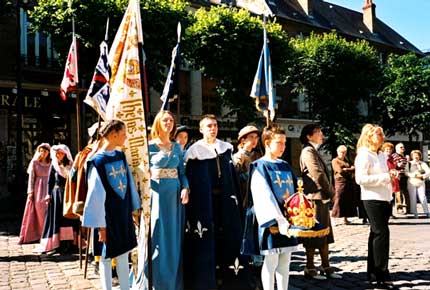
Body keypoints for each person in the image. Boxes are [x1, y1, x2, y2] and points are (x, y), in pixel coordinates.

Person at [184, 114, 249, 290]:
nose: (213, 128)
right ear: (201, 129)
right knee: (205, 237)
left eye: (215, 125)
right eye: (209, 126)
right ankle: (206, 280)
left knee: (228, 235)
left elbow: (232, 178)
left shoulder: (226, 148)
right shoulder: (194, 152)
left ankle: (230, 278)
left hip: (226, 201)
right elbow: (192, 181)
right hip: (204, 202)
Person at [82, 119, 141, 290]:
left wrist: (133, 210)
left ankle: (125, 288)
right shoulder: (97, 162)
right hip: (107, 217)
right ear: (113, 135)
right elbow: (95, 196)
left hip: (122, 213)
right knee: (107, 256)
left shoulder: (120, 155)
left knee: (124, 253)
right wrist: (101, 226)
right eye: (123, 134)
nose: (125, 137)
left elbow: (128, 185)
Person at [134, 111, 189, 290]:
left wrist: (185, 188)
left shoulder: (177, 147)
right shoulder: (148, 146)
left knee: (172, 237)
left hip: (174, 197)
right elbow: (140, 173)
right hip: (155, 196)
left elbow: (182, 173)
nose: (169, 123)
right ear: (158, 123)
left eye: (171, 120)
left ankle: (171, 282)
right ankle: (152, 280)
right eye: (165, 120)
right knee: (156, 233)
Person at [247, 124, 298, 290]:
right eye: (279, 142)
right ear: (267, 143)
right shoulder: (260, 167)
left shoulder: (285, 165)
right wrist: (279, 220)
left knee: (285, 261)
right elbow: (264, 196)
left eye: (284, 142)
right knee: (271, 261)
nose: (283, 146)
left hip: (289, 220)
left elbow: (295, 192)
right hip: (272, 221)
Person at [355, 124, 396, 288]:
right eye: (379, 134)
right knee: (382, 233)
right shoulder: (364, 155)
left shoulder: (379, 155)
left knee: (376, 234)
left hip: (384, 198)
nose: (383, 137)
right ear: (369, 137)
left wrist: (389, 176)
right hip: (372, 198)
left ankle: (372, 272)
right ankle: (382, 272)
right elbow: (360, 180)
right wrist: (385, 177)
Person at [299, 124, 341, 280]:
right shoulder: (307, 151)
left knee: (324, 233)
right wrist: (332, 191)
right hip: (314, 198)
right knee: (314, 233)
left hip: (320, 198)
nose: (321, 134)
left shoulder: (313, 150)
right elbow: (317, 174)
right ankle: (310, 267)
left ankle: (326, 266)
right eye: (318, 132)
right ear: (309, 136)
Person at [36, 144, 77, 254]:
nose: (58, 155)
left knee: (68, 218)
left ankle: (69, 243)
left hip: (68, 195)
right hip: (56, 195)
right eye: (57, 153)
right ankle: (57, 243)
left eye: (60, 153)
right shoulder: (54, 166)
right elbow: (50, 182)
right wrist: (48, 194)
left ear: (65, 154)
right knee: (57, 219)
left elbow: (75, 181)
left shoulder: (71, 165)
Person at [18, 143, 51, 244]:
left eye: (45, 151)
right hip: (39, 188)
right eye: (41, 151)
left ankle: (48, 234)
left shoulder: (51, 163)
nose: (43, 153)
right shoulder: (35, 163)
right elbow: (31, 178)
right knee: (39, 211)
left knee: (48, 211)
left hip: (49, 187)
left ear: (48, 152)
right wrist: (30, 191)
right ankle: (40, 233)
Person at [233, 125, 260, 208]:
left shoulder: (258, 156)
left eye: (256, 137)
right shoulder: (237, 157)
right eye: (251, 137)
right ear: (243, 140)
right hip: (244, 197)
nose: (254, 140)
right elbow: (235, 178)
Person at [331, 145, 358, 225]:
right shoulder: (335, 160)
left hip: (348, 181)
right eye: (341, 152)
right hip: (340, 181)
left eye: (344, 152)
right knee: (339, 198)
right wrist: (349, 170)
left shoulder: (347, 161)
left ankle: (345, 218)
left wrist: (347, 169)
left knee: (347, 199)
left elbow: (354, 168)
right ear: (337, 152)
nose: (342, 154)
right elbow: (340, 171)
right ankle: (333, 218)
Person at [405, 150, 430, 218]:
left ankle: (427, 212)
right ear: (412, 156)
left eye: (417, 155)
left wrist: (422, 176)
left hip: (421, 182)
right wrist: (414, 175)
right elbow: (406, 172)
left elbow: (428, 172)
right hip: (412, 182)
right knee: (412, 198)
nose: (416, 156)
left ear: (419, 156)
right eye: (414, 155)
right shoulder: (409, 163)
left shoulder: (422, 163)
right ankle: (414, 213)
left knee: (422, 197)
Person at [392, 143, 409, 213]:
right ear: (397, 149)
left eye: (403, 147)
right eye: (401, 147)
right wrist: (397, 165)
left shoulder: (404, 156)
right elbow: (393, 165)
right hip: (398, 176)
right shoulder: (394, 155)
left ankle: (408, 209)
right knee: (398, 193)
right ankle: (399, 208)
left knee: (405, 192)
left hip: (404, 176)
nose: (403, 148)